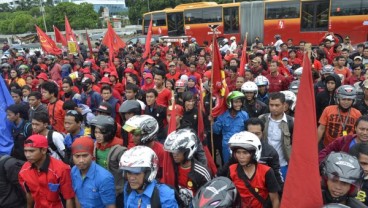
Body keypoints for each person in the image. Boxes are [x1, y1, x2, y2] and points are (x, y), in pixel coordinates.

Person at [18, 135, 75, 208]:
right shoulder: (24, 170)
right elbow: (29, 194)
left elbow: (69, 198)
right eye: (25, 151)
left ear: (44, 150)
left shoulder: (61, 169)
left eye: (32, 151)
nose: (27, 155)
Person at [227, 131, 280, 207]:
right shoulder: (231, 170)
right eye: (238, 152)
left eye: (245, 153)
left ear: (254, 153)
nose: (241, 156)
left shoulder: (266, 172)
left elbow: (275, 199)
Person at [164, 129, 211, 206]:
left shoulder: (202, 172)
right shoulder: (172, 168)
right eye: (172, 152)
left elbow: (208, 197)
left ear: (188, 151)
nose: (174, 154)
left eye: (177, 151)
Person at [90, 115, 126, 207]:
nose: (97, 135)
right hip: (101, 188)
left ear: (109, 133)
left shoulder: (120, 150)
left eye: (101, 133)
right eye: (96, 132)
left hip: (116, 191)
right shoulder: (96, 146)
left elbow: (126, 173)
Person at [71, 136, 116, 208]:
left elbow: (110, 205)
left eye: (85, 156)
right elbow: (77, 197)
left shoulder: (104, 178)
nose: (81, 160)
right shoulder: (74, 171)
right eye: (77, 156)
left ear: (92, 155)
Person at [259, 92, 294, 179]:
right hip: (264, 163)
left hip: (282, 164)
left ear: (284, 105)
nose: (273, 108)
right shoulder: (262, 119)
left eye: (277, 105)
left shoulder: (291, 122)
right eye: (271, 105)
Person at [245, 117, 284, 188]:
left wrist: (281, 193)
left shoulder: (270, 152)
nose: (254, 137)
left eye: (257, 134)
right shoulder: (237, 150)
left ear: (262, 133)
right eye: (251, 134)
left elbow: (276, 174)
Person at [212, 91, 249, 163]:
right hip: (227, 146)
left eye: (240, 102)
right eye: (236, 102)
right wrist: (212, 122)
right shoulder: (222, 115)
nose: (238, 104)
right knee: (228, 166)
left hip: (240, 146)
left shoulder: (244, 115)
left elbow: (247, 131)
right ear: (230, 103)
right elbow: (216, 131)